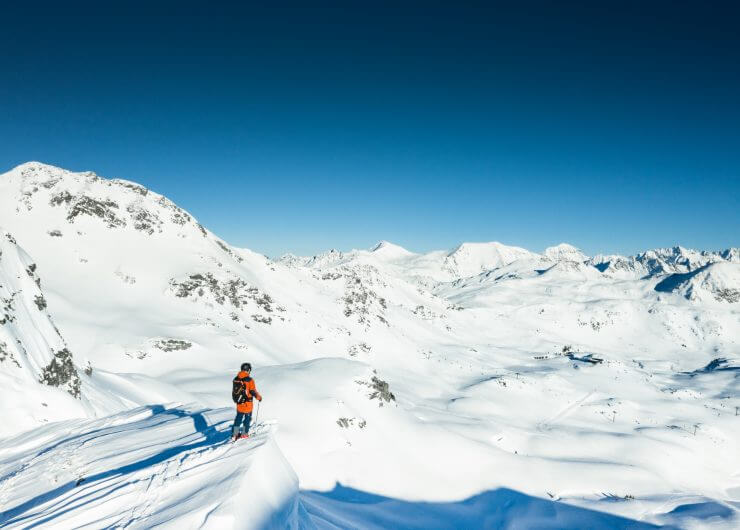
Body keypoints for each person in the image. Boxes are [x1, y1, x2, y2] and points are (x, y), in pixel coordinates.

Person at [232, 362, 262, 440]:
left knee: (238, 418)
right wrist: (258, 397)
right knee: (247, 418)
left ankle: (235, 434)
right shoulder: (250, 380)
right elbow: (252, 391)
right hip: (248, 403)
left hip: (239, 403)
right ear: (248, 370)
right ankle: (244, 434)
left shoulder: (236, 379)